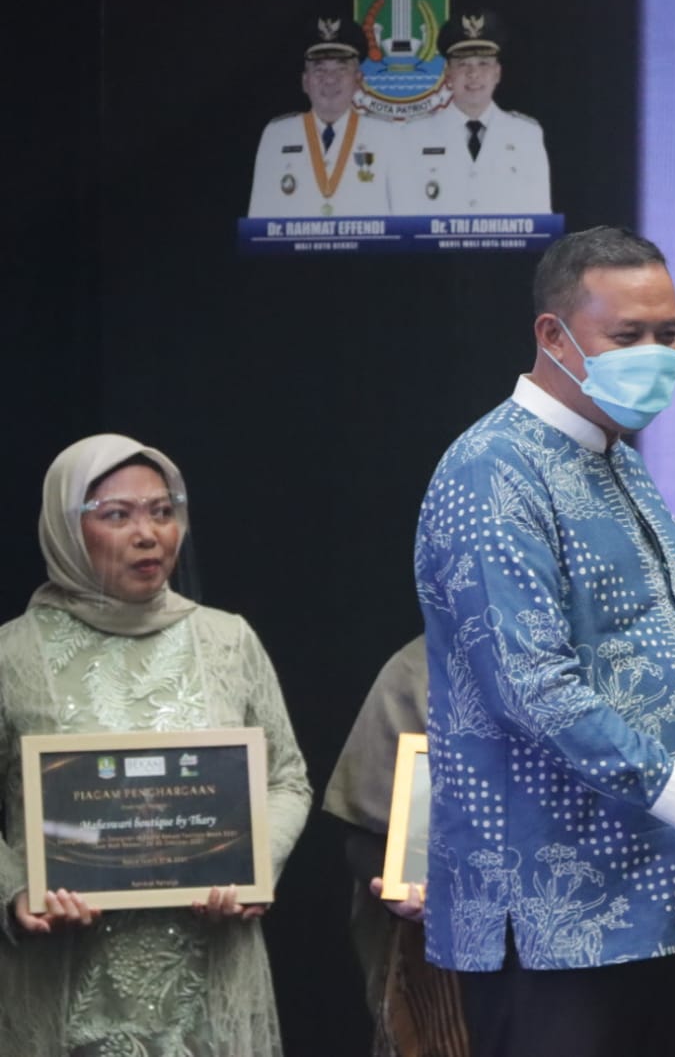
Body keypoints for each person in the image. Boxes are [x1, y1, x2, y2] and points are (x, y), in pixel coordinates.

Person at [414, 225, 675, 1057]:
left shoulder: (618, 460)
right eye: (627, 335)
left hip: (660, 901)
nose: (654, 357)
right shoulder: (490, 469)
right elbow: (534, 690)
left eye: (667, 334)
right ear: (553, 335)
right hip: (555, 918)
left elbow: (633, 669)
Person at [0, 434, 312, 1055]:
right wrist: (14, 891)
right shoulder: (13, 654)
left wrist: (252, 869)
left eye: (162, 512)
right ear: (66, 528)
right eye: (118, 515)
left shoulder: (229, 641)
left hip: (209, 976)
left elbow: (286, 778)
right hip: (66, 979)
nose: (148, 534)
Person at [325, 635, 469, 1057]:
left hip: (578, 949)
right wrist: (399, 887)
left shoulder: (598, 657)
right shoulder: (417, 667)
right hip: (450, 968)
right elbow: (363, 833)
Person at [391, 11, 552, 215]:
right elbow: (403, 217)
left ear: (497, 73)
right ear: (448, 74)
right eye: (463, 64)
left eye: (483, 63)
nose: (473, 74)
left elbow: (540, 216)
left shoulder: (526, 135)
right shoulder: (413, 136)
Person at [247, 18, 396, 217]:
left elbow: (401, 222)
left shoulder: (386, 136)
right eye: (319, 70)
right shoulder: (277, 136)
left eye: (341, 69)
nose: (330, 79)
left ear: (358, 80)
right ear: (305, 82)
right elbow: (259, 219)